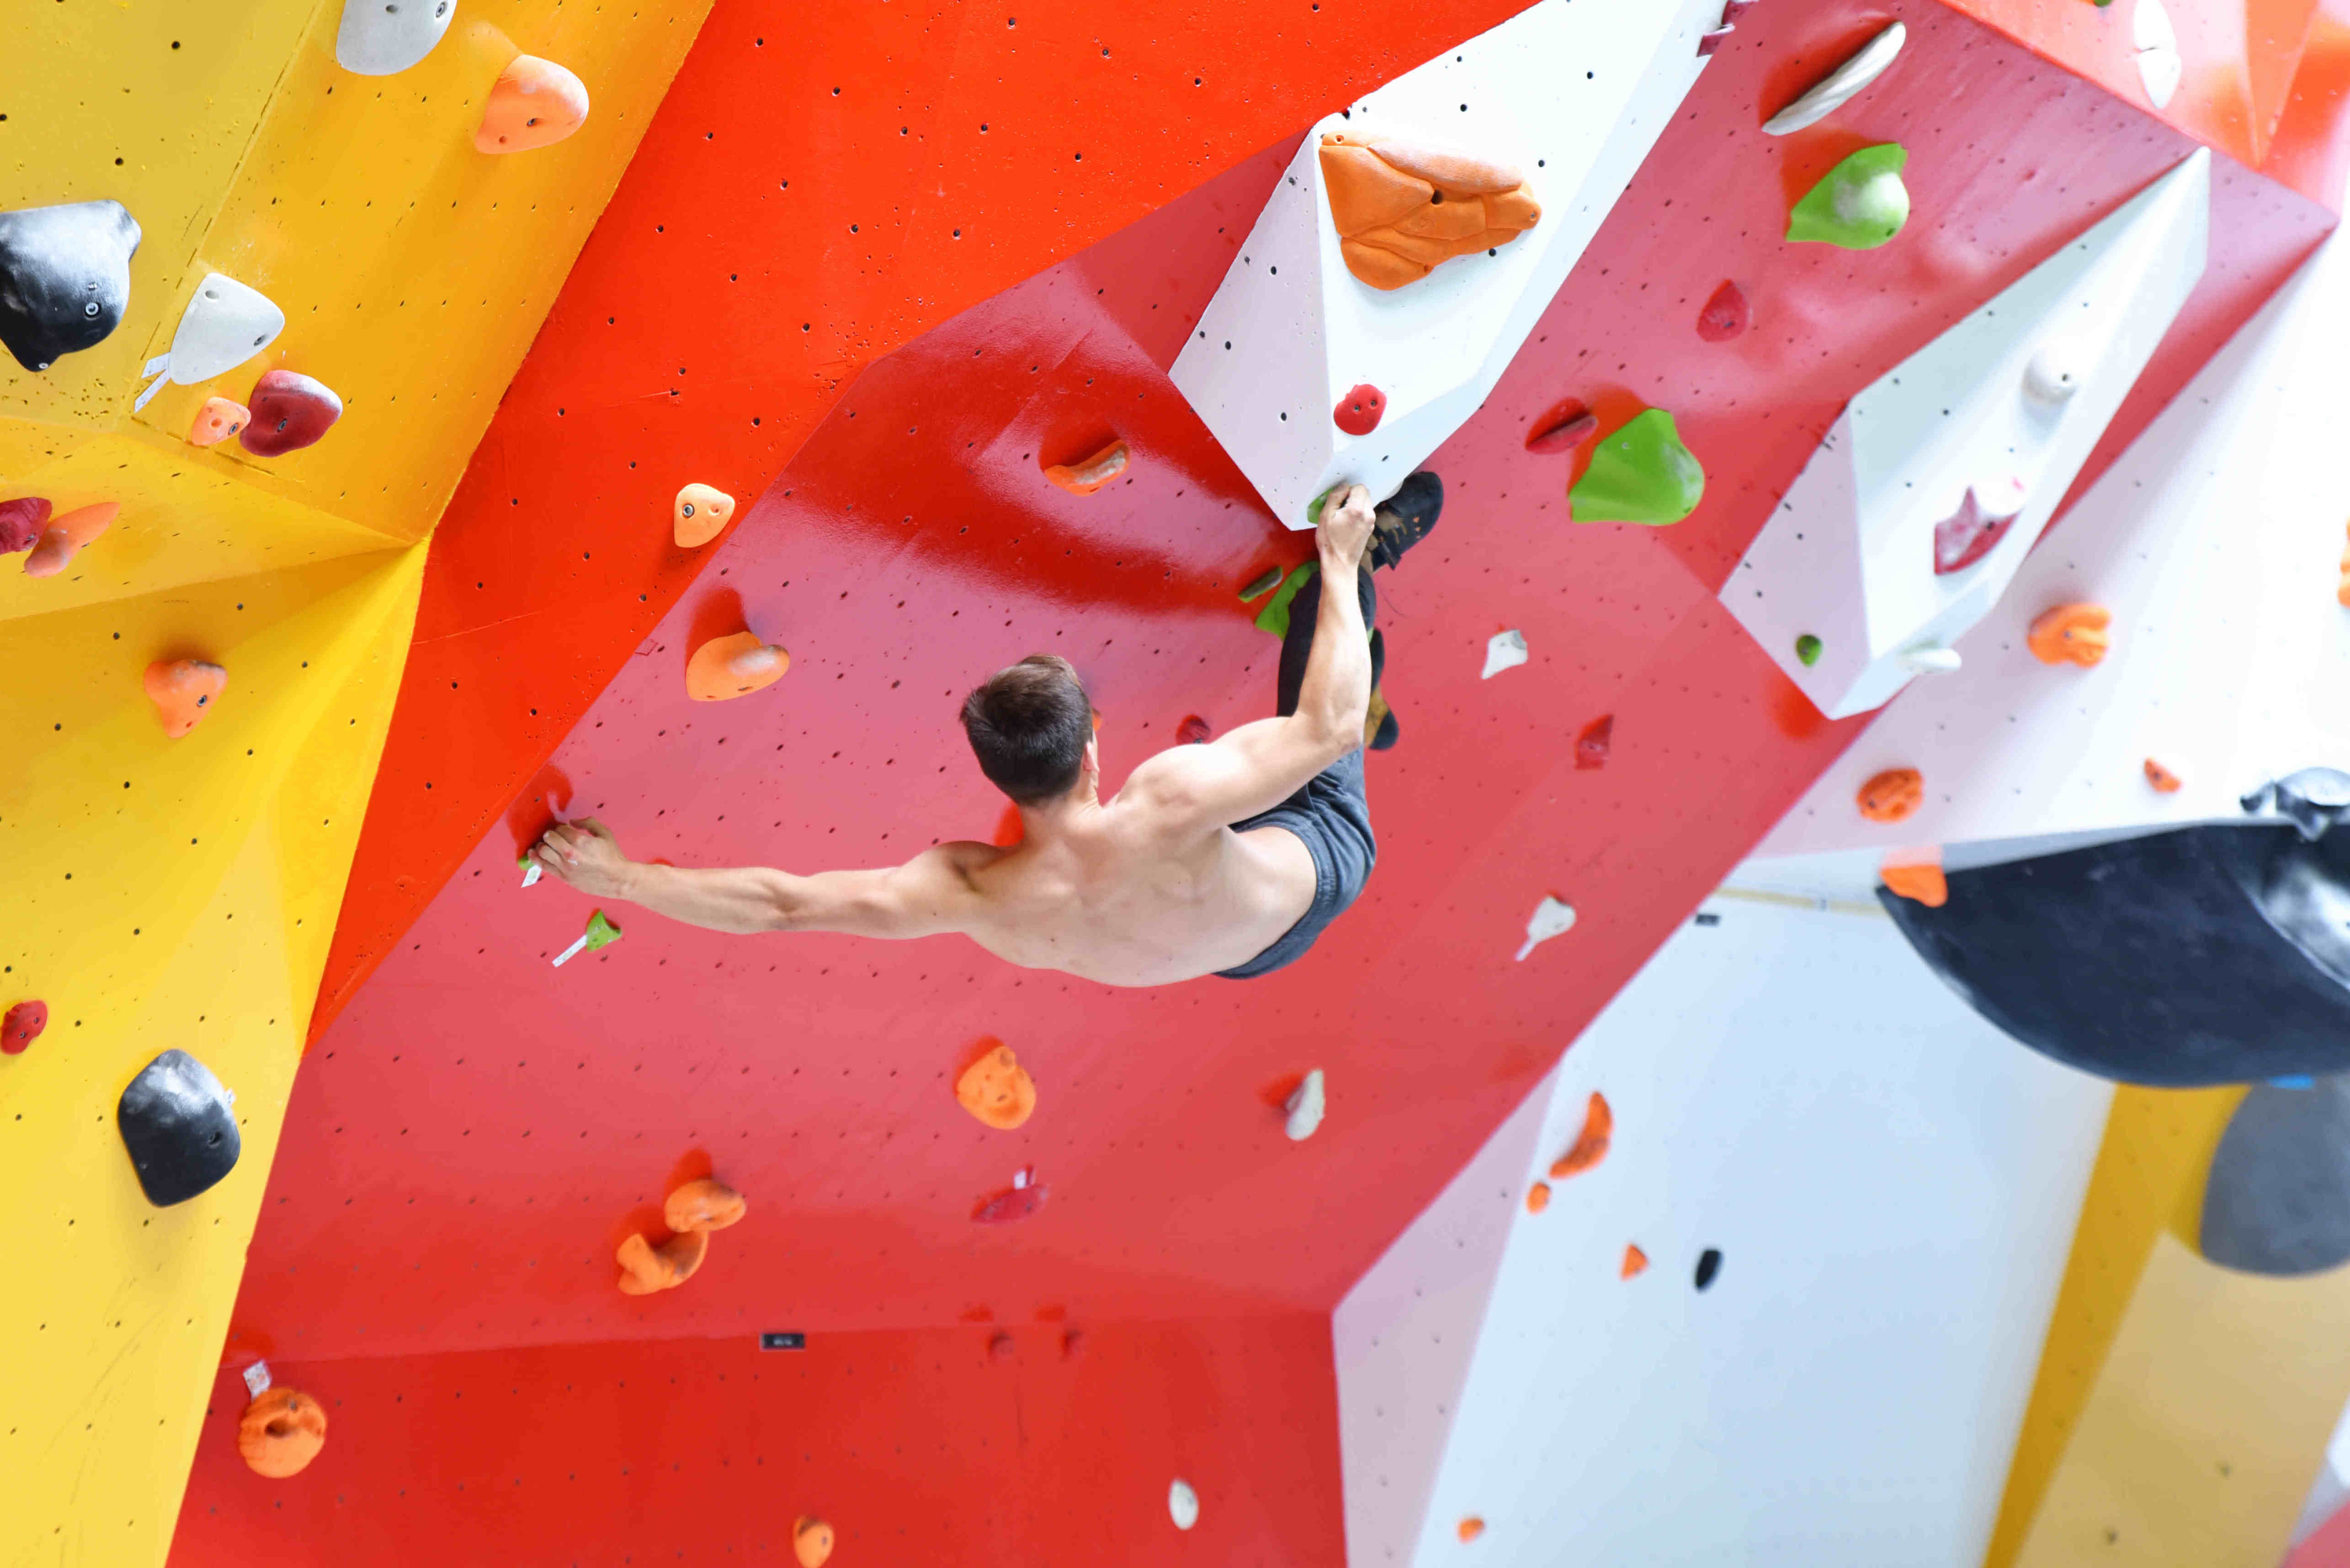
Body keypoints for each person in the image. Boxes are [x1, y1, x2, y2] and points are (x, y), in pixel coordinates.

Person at [532, 473, 1443, 985]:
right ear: (1092, 748)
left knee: (1272, 763)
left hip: (1233, 959)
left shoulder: (972, 893)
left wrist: (617, 878)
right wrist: (1333, 560)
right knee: (1318, 709)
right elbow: (1324, 728)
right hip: (1317, 871)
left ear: (1001, 784)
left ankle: (1348, 594)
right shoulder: (1168, 799)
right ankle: (1372, 549)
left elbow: (782, 907)